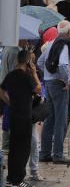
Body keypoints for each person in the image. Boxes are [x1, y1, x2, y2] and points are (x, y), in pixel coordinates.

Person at [0, 49, 41, 187]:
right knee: (23, 149)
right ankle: (18, 180)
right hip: (24, 116)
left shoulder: (11, 75)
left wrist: (10, 102)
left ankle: (11, 177)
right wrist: (34, 73)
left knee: (13, 146)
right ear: (27, 61)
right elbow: (38, 89)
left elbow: (1, 91)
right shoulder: (26, 77)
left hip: (13, 114)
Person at [37, 20, 70, 164]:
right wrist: (67, 80)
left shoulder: (51, 44)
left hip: (48, 84)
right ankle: (58, 154)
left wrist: (47, 76)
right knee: (61, 120)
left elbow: (40, 63)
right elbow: (63, 64)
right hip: (59, 85)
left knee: (49, 119)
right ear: (69, 32)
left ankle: (44, 153)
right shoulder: (64, 45)